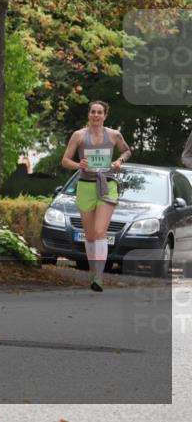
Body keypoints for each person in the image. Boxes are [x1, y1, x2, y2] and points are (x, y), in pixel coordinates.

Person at [61, 100, 132, 292]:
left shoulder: (114, 135)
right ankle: (93, 270)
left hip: (107, 184)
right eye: (93, 112)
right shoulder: (79, 136)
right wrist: (78, 165)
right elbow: (65, 160)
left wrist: (118, 161)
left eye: (100, 112)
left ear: (105, 116)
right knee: (90, 235)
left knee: (100, 231)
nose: (96, 115)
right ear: (89, 114)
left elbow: (127, 151)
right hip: (85, 186)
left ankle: (99, 277)